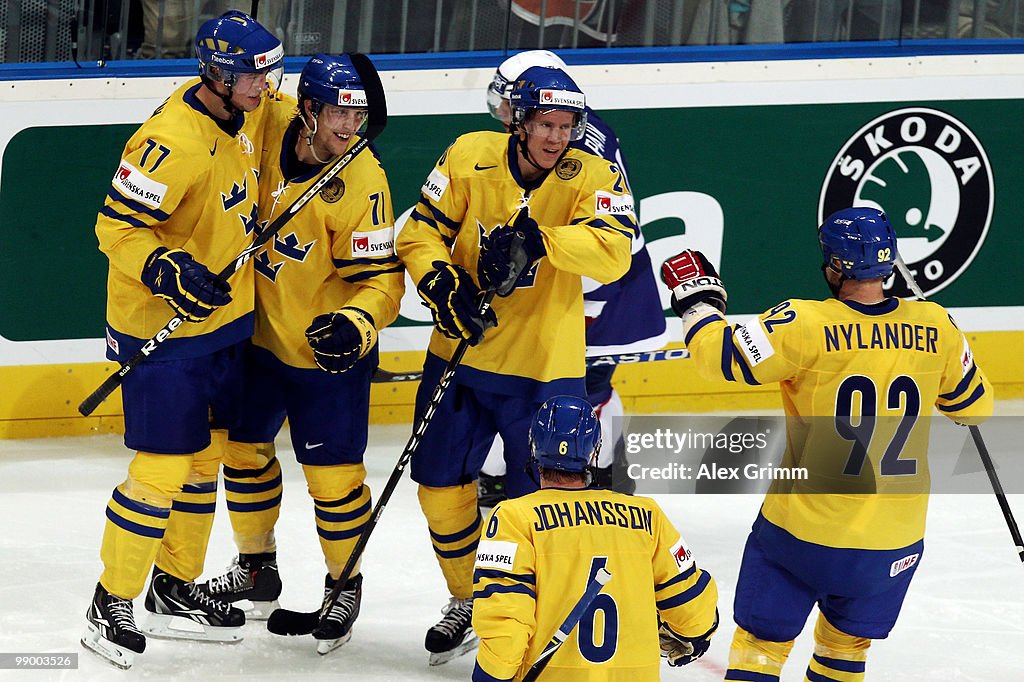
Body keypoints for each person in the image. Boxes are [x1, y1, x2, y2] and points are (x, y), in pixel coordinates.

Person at [661, 207, 994, 681]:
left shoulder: (803, 322)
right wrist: (951, 342)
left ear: (835, 265)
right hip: (891, 543)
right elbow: (973, 408)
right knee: (845, 649)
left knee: (760, 648)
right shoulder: (935, 324)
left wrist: (697, 299)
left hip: (800, 532)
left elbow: (720, 358)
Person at [394, 65, 635, 665]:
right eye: (546, 124)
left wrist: (542, 240)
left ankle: (543, 617)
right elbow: (419, 232)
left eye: (567, 125)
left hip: (544, 370)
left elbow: (614, 253)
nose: (557, 138)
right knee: (439, 488)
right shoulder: (468, 154)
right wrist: (442, 285)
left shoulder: (593, 174)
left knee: (543, 509)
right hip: (460, 353)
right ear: (519, 121)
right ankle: (470, 602)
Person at [81, 10, 283, 670]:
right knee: (163, 469)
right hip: (160, 334)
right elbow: (116, 230)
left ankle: (173, 586)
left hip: (225, 324)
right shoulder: (167, 142)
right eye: (257, 75)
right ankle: (110, 599)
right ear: (219, 76)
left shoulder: (248, 108)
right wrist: (166, 267)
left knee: (203, 461)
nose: (268, 85)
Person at [197, 53, 403, 655]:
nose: (350, 126)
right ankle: (256, 567)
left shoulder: (364, 182)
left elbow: (384, 280)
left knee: (333, 481)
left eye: (359, 113)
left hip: (328, 356)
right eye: (340, 111)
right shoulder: (270, 122)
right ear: (308, 108)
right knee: (242, 453)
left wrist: (356, 322)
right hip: (258, 342)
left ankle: (344, 583)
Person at [478, 50, 668, 505]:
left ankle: (600, 472)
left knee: (584, 385)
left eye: (509, 102)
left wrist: (577, 298)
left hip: (592, 278)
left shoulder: (566, 142)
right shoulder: (568, 124)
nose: (503, 113)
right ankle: (572, 468)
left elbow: (596, 238)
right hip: (570, 270)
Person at [471, 395, 719, 681]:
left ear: (533, 448)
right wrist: (697, 634)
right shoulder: (647, 515)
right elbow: (691, 605)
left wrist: (490, 677)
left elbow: (506, 627)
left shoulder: (514, 518)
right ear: (594, 453)